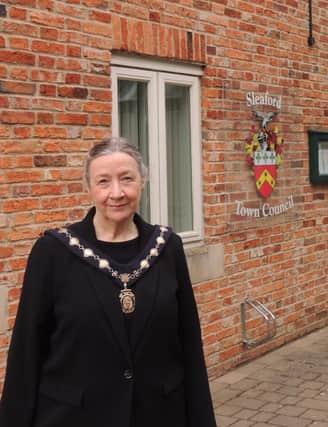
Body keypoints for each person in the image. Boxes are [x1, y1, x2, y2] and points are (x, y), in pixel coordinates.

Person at [0, 137, 217, 427]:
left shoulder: (168, 248)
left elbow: (189, 344)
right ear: (88, 187)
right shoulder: (53, 253)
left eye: (127, 179)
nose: (117, 193)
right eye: (103, 181)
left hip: (160, 414)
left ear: (143, 182)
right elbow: (26, 352)